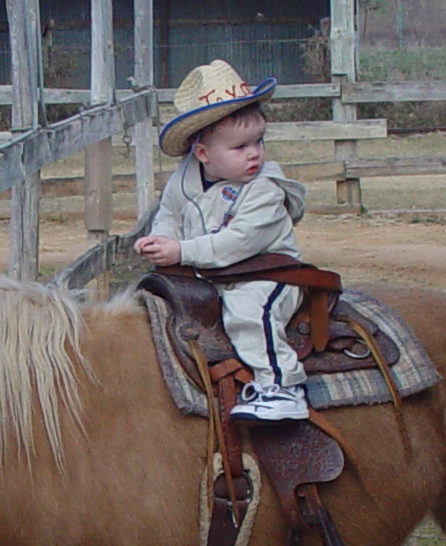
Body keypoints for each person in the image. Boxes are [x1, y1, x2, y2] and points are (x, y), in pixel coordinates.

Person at [133, 60, 312, 422]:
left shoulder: (265, 190)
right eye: (240, 146)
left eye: (259, 142)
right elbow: (170, 211)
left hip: (267, 275)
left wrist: (181, 251)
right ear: (202, 154)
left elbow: (237, 243)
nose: (255, 154)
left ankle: (281, 386)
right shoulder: (185, 180)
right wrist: (161, 238)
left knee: (249, 312)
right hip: (210, 276)